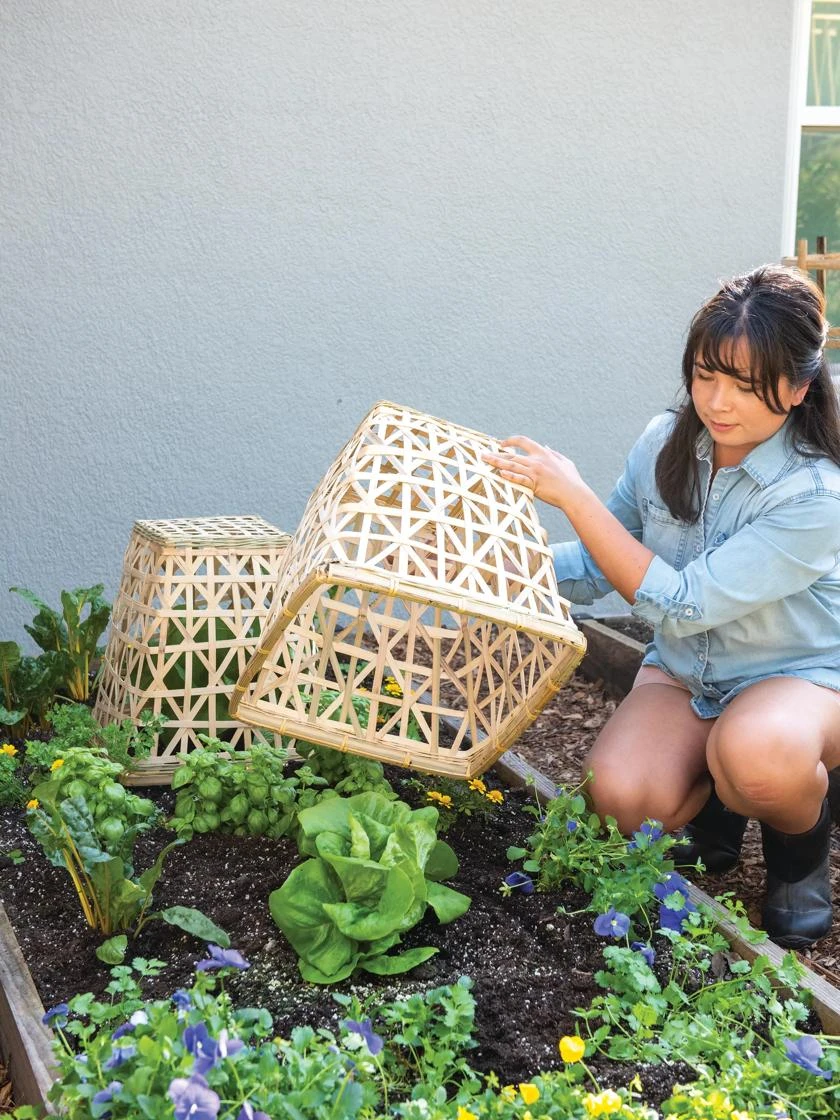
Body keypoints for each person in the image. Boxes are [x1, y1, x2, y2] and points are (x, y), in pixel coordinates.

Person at [482, 265, 840, 949]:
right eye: (706, 375)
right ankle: (720, 810)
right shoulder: (664, 442)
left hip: (799, 677)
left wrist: (574, 496)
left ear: (797, 388)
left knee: (758, 756)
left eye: (746, 385)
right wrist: (492, 565)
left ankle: (799, 856)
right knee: (621, 798)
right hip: (687, 673)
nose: (718, 402)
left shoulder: (816, 497)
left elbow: (684, 604)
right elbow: (601, 561)